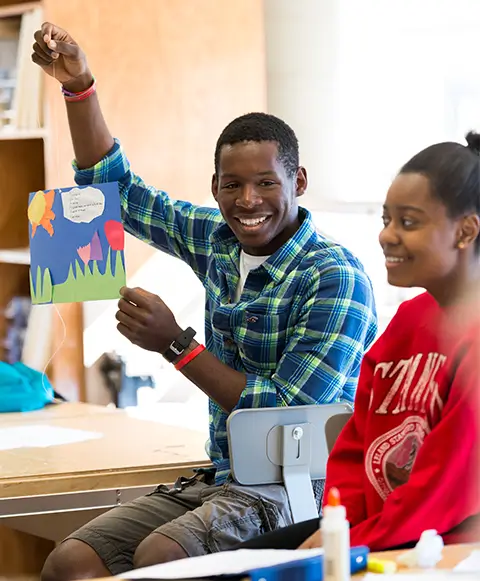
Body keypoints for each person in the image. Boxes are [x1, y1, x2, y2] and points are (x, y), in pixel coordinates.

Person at [31, 22, 377, 579]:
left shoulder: (335, 278)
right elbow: (114, 190)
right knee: (70, 563)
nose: (248, 201)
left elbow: (277, 413)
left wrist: (175, 345)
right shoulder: (218, 238)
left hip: (303, 487)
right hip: (221, 476)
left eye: (267, 183)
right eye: (231, 185)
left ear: (300, 181)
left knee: (160, 558)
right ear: (214, 185)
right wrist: (79, 87)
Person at [235, 132, 480, 553]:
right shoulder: (408, 321)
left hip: (444, 544)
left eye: (409, 222)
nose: (387, 236)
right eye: (386, 220)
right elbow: (354, 447)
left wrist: (347, 545)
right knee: (240, 563)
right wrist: (336, 528)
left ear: (465, 231)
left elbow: (444, 487)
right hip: (379, 530)